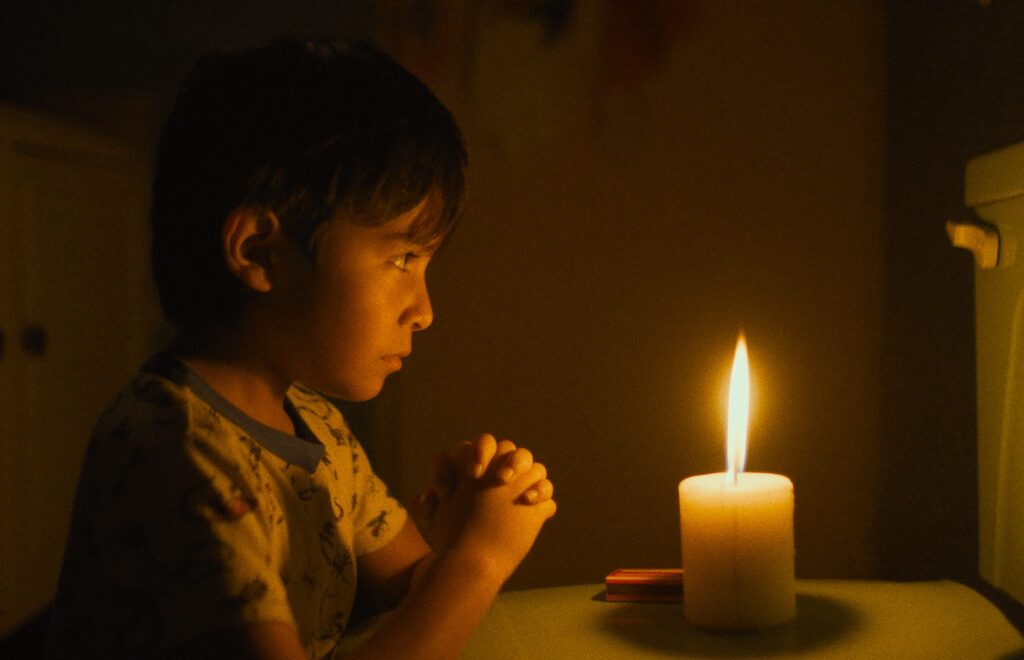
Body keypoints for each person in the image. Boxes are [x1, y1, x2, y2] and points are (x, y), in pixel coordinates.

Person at [45, 37, 556, 659]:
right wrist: (477, 561)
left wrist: (457, 541)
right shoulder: (175, 452)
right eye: (401, 258)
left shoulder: (316, 427)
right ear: (261, 252)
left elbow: (415, 601)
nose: (423, 312)